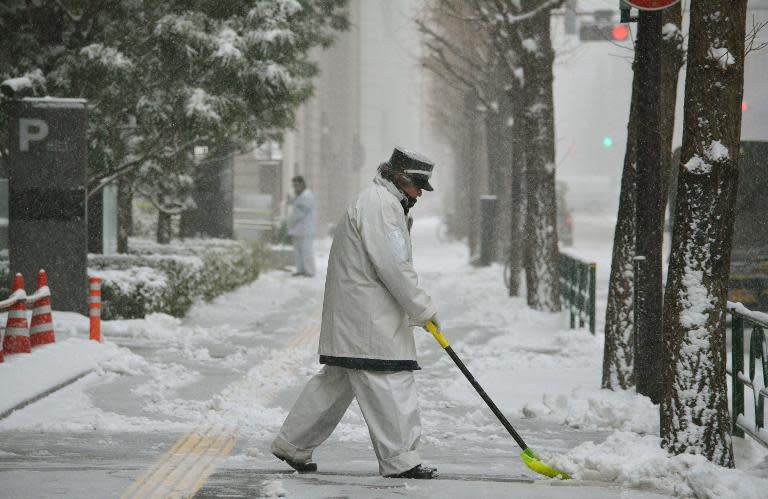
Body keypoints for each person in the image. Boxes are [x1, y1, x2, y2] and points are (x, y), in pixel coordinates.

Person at [271, 147, 441, 479]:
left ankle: (292, 444)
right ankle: (401, 460)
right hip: (368, 318)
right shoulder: (381, 206)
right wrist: (423, 309)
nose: (419, 194)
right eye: (416, 186)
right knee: (390, 379)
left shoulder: (376, 201)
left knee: (334, 384)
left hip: (355, 313)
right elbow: (394, 266)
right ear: (399, 178)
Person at [286, 175, 316, 277]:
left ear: (302, 185)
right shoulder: (300, 196)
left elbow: (299, 213)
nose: (295, 188)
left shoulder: (307, 196)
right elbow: (296, 203)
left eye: (297, 185)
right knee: (298, 252)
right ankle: (300, 269)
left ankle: (309, 271)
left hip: (305, 229)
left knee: (306, 251)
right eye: (293, 185)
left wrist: (289, 222)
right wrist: (292, 200)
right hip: (298, 229)